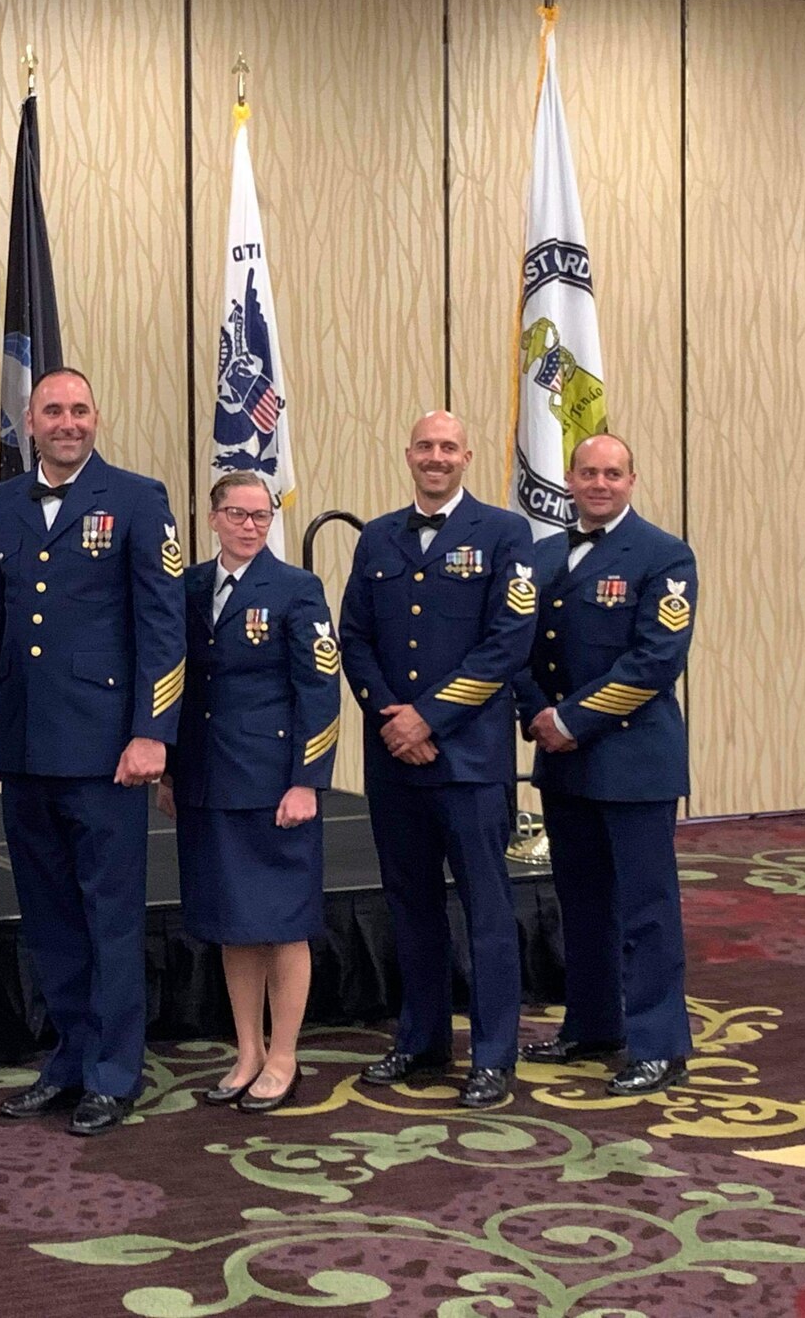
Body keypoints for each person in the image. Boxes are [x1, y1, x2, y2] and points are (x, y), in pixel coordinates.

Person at [0, 368, 186, 1137]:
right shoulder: (1, 503)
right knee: (50, 916)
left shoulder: (137, 498)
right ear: (29, 421)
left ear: (98, 417)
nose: (67, 422)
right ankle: (67, 1059)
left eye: (79, 410)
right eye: (53, 411)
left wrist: (153, 731)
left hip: (106, 750)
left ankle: (113, 1072)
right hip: (25, 745)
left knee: (111, 918)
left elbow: (163, 628)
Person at [339, 411, 536, 1109]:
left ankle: (492, 1055)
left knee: (486, 910)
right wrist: (392, 715)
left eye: (447, 447)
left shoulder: (506, 534)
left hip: (470, 761)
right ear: (407, 455)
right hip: (395, 761)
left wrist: (430, 716)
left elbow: (508, 642)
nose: (435, 457)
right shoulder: (379, 537)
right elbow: (353, 637)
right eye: (425, 446)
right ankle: (420, 1040)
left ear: (467, 458)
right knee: (410, 906)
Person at [514, 435, 697, 1095]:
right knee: (582, 902)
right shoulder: (540, 556)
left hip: (633, 760)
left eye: (612, 473)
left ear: (632, 480)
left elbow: (654, 661)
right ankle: (592, 1026)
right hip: (564, 765)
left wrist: (567, 721)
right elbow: (520, 649)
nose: (599, 483)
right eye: (588, 472)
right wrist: (538, 712)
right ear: (569, 479)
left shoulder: (664, 555)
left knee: (646, 907)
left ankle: (658, 1045)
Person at [162, 472, 341, 1114]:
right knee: (234, 925)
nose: (250, 525)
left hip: (273, 785)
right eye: (237, 514)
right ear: (211, 518)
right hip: (209, 780)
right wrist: (171, 773)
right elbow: (178, 686)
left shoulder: (296, 589)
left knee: (283, 923)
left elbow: (319, 690)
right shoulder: (188, 589)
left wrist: (307, 780)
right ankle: (247, 1051)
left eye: (261, 516)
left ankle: (286, 1053)